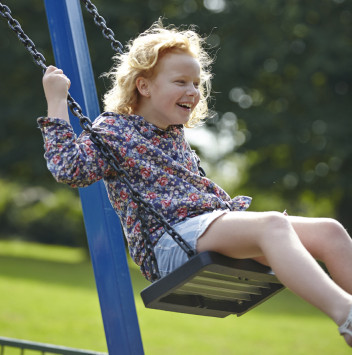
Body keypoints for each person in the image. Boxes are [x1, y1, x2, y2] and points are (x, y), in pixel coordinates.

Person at [38, 21, 352, 347]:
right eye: (180, 81)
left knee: (331, 232)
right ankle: (347, 315)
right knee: (272, 225)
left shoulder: (174, 131)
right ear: (144, 86)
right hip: (168, 241)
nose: (193, 91)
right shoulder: (113, 129)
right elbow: (68, 168)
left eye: (196, 83)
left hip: (202, 227)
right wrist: (57, 100)